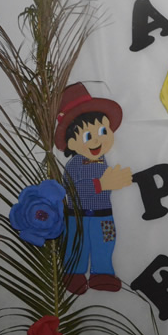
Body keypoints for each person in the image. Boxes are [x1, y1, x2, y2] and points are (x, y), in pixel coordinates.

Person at [55, 82, 132, 295]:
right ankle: (74, 273)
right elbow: (73, 190)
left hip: (103, 215)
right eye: (88, 136)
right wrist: (103, 184)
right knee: (77, 245)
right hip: (78, 217)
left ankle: (102, 273)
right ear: (72, 143)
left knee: (105, 243)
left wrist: (114, 183)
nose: (97, 139)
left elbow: (106, 186)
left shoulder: (103, 161)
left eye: (102, 131)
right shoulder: (74, 165)